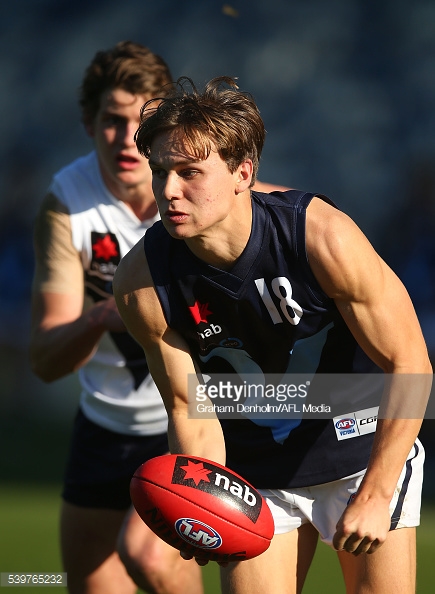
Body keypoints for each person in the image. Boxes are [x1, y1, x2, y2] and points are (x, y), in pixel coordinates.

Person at [112, 76, 433, 594]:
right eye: (160, 172)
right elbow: (189, 407)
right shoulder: (141, 281)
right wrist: (201, 500)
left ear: (243, 172)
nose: (168, 191)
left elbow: (411, 364)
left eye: (190, 173)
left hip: (361, 454)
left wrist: (375, 493)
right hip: (253, 474)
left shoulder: (321, 235)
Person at [30, 44, 287, 594]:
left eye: (139, 121)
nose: (126, 138)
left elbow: (286, 217)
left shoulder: (208, 193)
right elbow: (46, 359)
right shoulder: (68, 203)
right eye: (111, 120)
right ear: (88, 123)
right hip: (107, 422)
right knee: (88, 583)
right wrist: (104, 313)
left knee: (150, 555)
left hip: (194, 421)